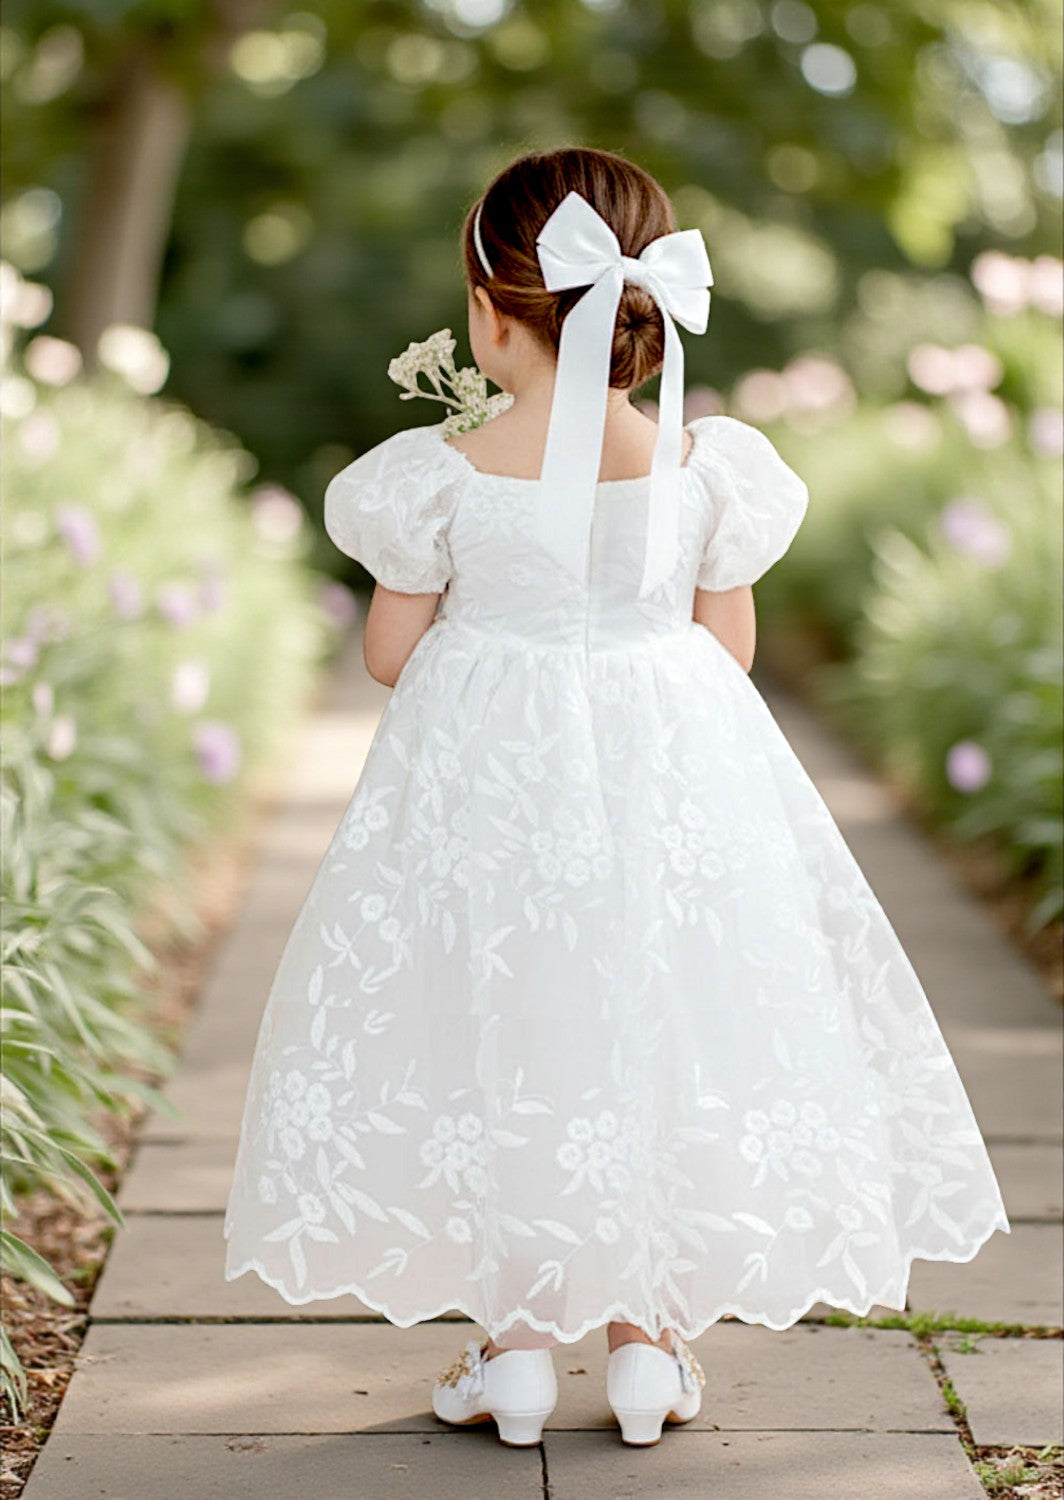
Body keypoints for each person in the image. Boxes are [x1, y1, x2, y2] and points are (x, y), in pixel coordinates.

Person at [223, 146, 1010, 1449]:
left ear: (487, 313)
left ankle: (520, 1347)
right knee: (657, 1013)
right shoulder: (708, 467)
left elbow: (384, 655)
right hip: (673, 780)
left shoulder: (439, 471)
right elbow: (732, 648)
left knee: (515, 1019)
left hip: (495, 789)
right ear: (650, 312)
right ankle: (646, 1345)